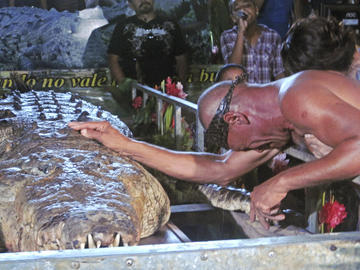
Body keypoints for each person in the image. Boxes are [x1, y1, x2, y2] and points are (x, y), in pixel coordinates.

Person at [69, 16, 360, 230]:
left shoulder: (297, 98)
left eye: (245, 144)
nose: (253, 150)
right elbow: (218, 169)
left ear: (236, 117)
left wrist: (281, 181)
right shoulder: (275, 123)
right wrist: (126, 145)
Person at [107, 0, 188, 87]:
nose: (143, 1)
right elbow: (113, 60)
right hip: (135, 90)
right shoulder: (123, 27)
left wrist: (179, 86)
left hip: (166, 90)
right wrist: (125, 86)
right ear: (130, 5)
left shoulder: (171, 25)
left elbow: (181, 58)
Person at [220, 0, 285, 83]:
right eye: (237, 9)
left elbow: (279, 74)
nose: (243, 10)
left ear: (256, 10)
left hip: (265, 94)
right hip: (241, 95)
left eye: (247, 5)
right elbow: (232, 73)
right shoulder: (227, 36)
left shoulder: (273, 36)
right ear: (233, 18)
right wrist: (241, 32)